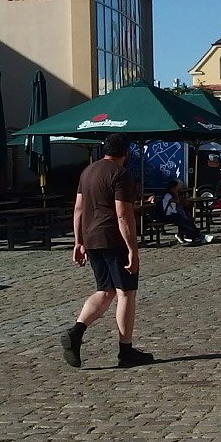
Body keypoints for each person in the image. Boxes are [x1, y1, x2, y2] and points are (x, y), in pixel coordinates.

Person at [61, 133, 153, 369]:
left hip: (92, 239)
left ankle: (75, 332)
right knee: (126, 293)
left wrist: (78, 241)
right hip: (113, 239)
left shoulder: (88, 171)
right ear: (127, 153)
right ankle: (126, 351)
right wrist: (132, 248)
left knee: (105, 291)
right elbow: (123, 213)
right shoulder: (121, 174)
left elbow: (78, 209)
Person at [159, 180, 213, 245]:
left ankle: (193, 235)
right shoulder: (167, 195)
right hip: (167, 216)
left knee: (186, 221)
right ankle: (197, 235)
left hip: (173, 214)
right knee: (184, 222)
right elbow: (177, 201)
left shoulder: (172, 195)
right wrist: (175, 193)